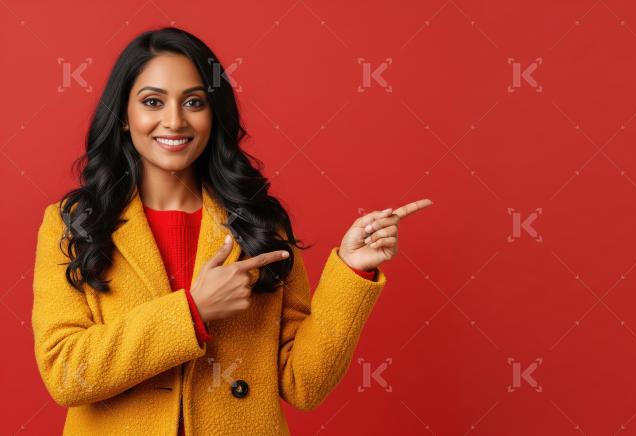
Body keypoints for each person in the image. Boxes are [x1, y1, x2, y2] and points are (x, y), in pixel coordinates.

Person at [31, 27, 432, 435]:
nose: (174, 121)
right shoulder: (73, 224)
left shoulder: (259, 222)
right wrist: (192, 311)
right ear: (122, 116)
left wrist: (351, 269)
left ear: (213, 113)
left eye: (194, 102)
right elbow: (65, 374)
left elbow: (304, 384)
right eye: (152, 101)